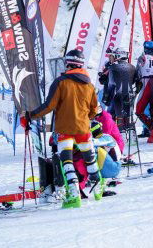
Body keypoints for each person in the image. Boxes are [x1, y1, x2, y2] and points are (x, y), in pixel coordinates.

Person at [24, 49, 99, 208]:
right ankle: (98, 190)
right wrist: (85, 118)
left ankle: (74, 195)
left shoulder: (61, 82)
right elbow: (94, 109)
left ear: (68, 64)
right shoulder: (89, 85)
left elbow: (49, 106)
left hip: (65, 129)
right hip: (84, 128)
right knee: (89, 158)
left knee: (67, 160)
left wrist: (31, 115)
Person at [134, 41, 153, 143]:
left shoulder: (143, 57)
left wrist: (136, 83)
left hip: (147, 82)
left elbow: (138, 72)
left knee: (139, 111)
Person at [103, 48, 137, 128]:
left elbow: (110, 84)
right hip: (129, 94)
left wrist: (106, 97)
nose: (112, 58)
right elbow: (136, 80)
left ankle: (115, 131)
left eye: (113, 56)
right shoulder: (132, 67)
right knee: (127, 116)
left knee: (112, 115)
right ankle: (126, 130)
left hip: (116, 94)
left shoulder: (113, 67)